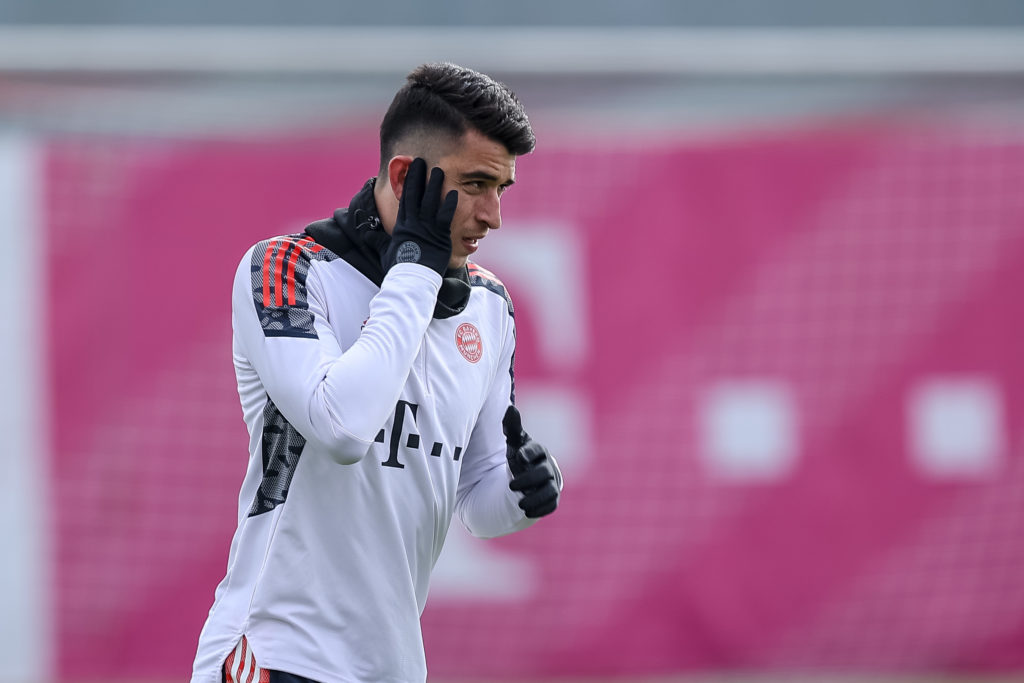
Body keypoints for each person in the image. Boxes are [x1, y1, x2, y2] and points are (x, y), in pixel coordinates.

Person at [191, 62, 562, 683]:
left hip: (391, 666)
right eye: (474, 184)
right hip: (273, 656)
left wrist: (526, 494)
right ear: (403, 176)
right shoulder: (285, 270)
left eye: (503, 189)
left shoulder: (489, 307)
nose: (493, 215)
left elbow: (478, 503)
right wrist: (414, 269)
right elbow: (341, 428)